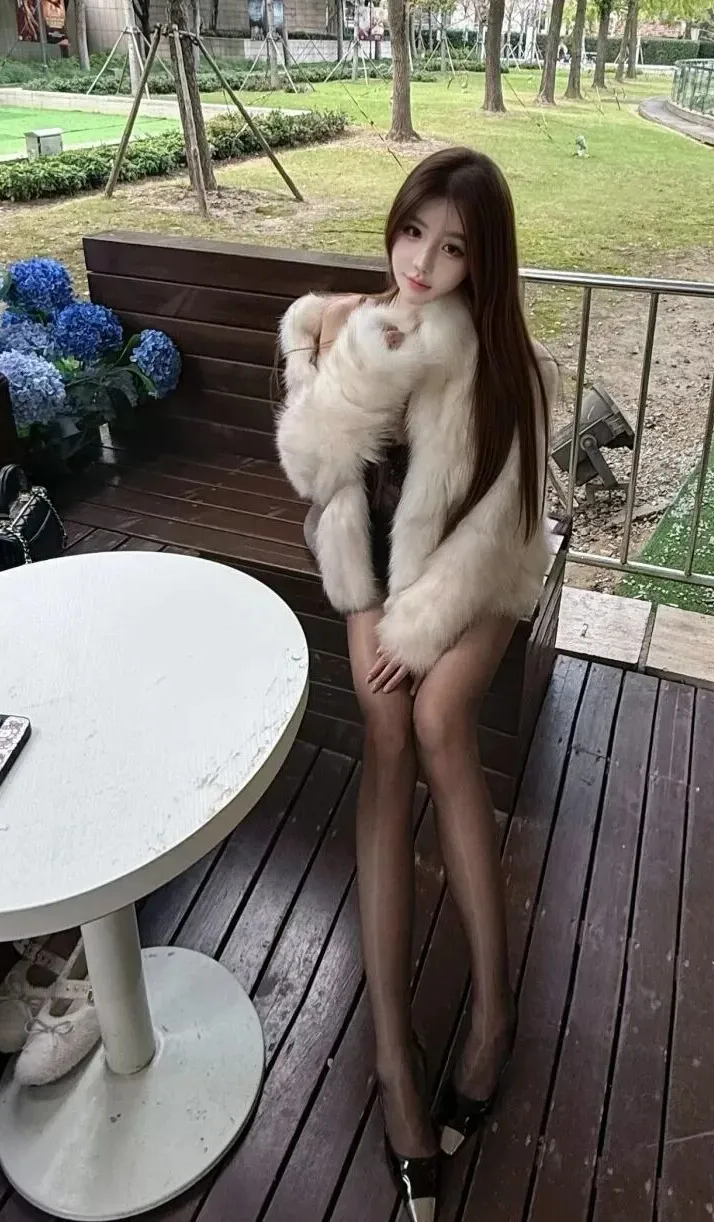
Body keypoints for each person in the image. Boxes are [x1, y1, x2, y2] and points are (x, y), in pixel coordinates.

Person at [276, 146, 559, 1222]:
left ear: (485, 263)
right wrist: (340, 355)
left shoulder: (507, 361)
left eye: (453, 249)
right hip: (374, 568)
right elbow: (317, 476)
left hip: (476, 573)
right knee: (385, 732)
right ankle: (394, 1054)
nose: (424, 263)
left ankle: (492, 1014)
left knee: (440, 717)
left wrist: (424, 622)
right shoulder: (348, 325)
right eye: (412, 233)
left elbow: (506, 522)